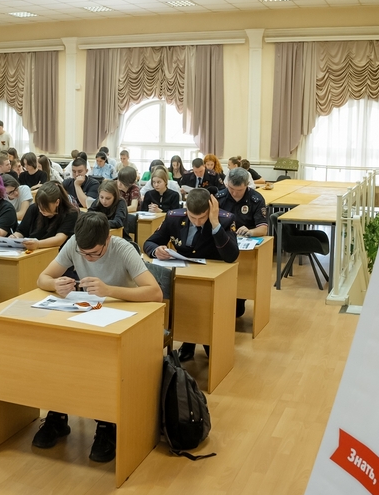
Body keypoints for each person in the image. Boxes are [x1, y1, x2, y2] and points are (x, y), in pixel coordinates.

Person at [34, 211, 164, 462]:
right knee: (57, 351)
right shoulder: (75, 243)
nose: (88, 258)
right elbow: (43, 277)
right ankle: (58, 413)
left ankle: (106, 423)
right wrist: (55, 285)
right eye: (83, 254)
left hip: (123, 320)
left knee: (101, 360)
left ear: (107, 240)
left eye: (94, 253)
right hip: (88, 316)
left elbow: (155, 293)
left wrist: (109, 290)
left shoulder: (122, 248)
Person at [145, 189, 239, 361]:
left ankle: (208, 343)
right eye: (192, 217)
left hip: (214, 279)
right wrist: (156, 250)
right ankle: (189, 341)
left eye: (202, 217)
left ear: (210, 210)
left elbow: (231, 256)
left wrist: (215, 223)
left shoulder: (225, 219)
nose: (197, 222)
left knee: (205, 311)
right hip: (184, 275)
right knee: (185, 305)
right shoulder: (174, 217)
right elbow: (149, 242)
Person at [217, 167, 269, 318]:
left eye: (239, 190)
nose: (234, 193)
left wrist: (250, 231)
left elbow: (263, 229)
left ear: (247, 185)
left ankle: (239, 297)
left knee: (237, 311)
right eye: (231, 188)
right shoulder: (220, 197)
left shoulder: (256, 199)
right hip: (223, 245)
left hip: (245, 249)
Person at [13, 181, 77, 250]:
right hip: (31, 251)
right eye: (39, 206)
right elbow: (21, 231)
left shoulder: (70, 214)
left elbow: (59, 239)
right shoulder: (34, 208)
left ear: (57, 202)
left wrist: (38, 244)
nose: (41, 210)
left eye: (45, 207)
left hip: (55, 252)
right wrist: (15, 237)